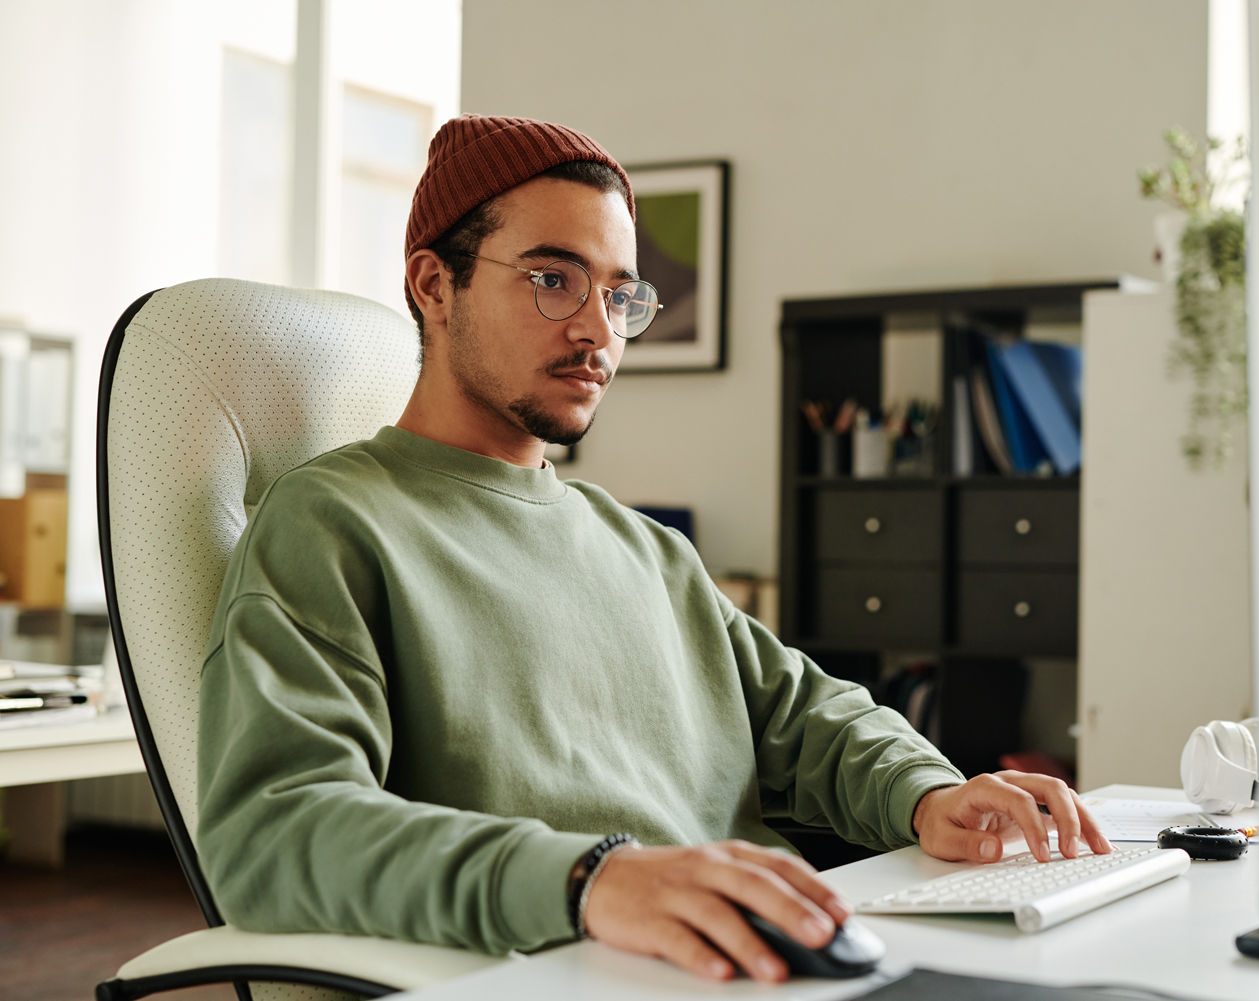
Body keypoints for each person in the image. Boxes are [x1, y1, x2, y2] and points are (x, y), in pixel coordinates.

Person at [196, 114, 1110, 985]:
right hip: (586, 974)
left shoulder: (641, 547)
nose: (598, 330)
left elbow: (804, 715)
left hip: (776, 959)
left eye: (620, 293)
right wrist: (591, 879)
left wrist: (927, 796)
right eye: (553, 279)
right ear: (435, 285)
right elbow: (273, 832)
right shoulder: (331, 524)